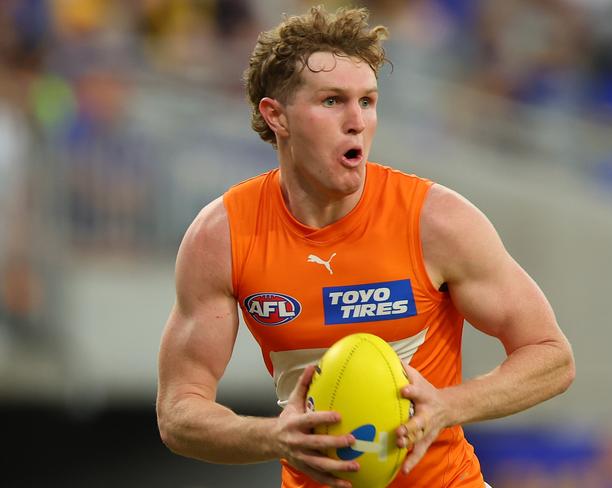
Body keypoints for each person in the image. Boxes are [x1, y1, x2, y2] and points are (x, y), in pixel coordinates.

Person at [155, 5, 575, 488]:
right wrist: (275, 437)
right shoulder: (222, 235)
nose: (357, 121)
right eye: (332, 101)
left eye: (368, 101)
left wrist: (450, 405)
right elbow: (178, 412)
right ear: (276, 116)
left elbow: (551, 356)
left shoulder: (435, 221)